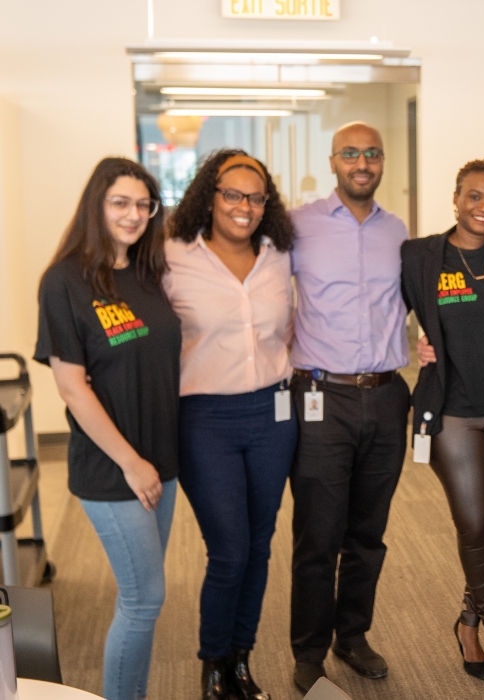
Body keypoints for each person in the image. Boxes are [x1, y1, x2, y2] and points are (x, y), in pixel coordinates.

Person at [35, 158, 180, 700]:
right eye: (121, 202)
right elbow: (73, 387)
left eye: (144, 205)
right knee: (144, 599)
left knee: (141, 596)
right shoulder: (66, 280)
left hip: (160, 460)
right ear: (97, 205)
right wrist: (130, 461)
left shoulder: (148, 271)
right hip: (113, 466)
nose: (134, 214)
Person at [163, 150, 296, 700]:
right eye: (232, 194)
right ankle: (213, 662)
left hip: (273, 414)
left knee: (262, 545)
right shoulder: (172, 255)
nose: (244, 206)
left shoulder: (280, 255)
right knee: (230, 549)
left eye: (256, 197)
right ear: (209, 196)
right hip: (205, 420)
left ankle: (242, 658)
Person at [402, 159, 484, 682]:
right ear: (455, 199)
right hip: (453, 410)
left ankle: (466, 618)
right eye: (474, 196)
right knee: (475, 521)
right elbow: (384, 308)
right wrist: (408, 346)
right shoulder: (422, 256)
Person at [288, 122, 411, 692]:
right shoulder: (299, 226)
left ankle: (352, 635)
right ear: (333, 160)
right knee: (318, 531)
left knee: (368, 531)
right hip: (321, 396)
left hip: (386, 396)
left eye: (372, 154)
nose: (362, 163)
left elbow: (413, 302)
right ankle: (309, 649)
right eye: (351, 154)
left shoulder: (399, 232)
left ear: (382, 162)